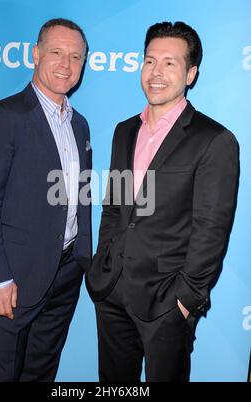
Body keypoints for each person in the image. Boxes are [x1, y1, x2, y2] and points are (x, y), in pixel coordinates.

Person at [86, 21, 239, 382]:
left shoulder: (214, 139)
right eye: (150, 61)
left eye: (170, 63)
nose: (156, 72)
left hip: (167, 300)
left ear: (191, 73)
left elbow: (212, 229)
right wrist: (104, 260)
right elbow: (115, 205)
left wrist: (185, 298)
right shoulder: (125, 130)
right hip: (111, 291)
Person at [0, 18, 92, 382]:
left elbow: (78, 195)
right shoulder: (5, 115)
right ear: (36, 54)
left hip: (67, 273)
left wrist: (82, 256)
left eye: (75, 57)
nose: (66, 65)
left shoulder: (80, 124)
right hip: (15, 279)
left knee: (42, 373)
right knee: (3, 375)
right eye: (56, 53)